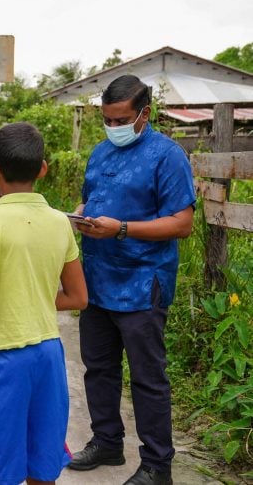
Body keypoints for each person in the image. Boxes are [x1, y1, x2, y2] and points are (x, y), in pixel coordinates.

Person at [67, 75, 196, 485]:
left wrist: (121, 228)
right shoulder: (101, 153)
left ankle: (158, 465)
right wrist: (82, 214)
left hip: (143, 284)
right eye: (107, 118)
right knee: (98, 368)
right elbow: (94, 198)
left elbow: (182, 223)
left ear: (145, 113)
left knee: (147, 377)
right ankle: (107, 441)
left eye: (121, 119)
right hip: (98, 279)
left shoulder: (167, 156)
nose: (113, 126)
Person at [0, 122, 88, 485]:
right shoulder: (60, 222)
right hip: (48, 355)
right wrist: (36, 296)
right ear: (42, 169)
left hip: (2, 358)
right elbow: (78, 297)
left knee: (3, 465)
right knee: (43, 459)